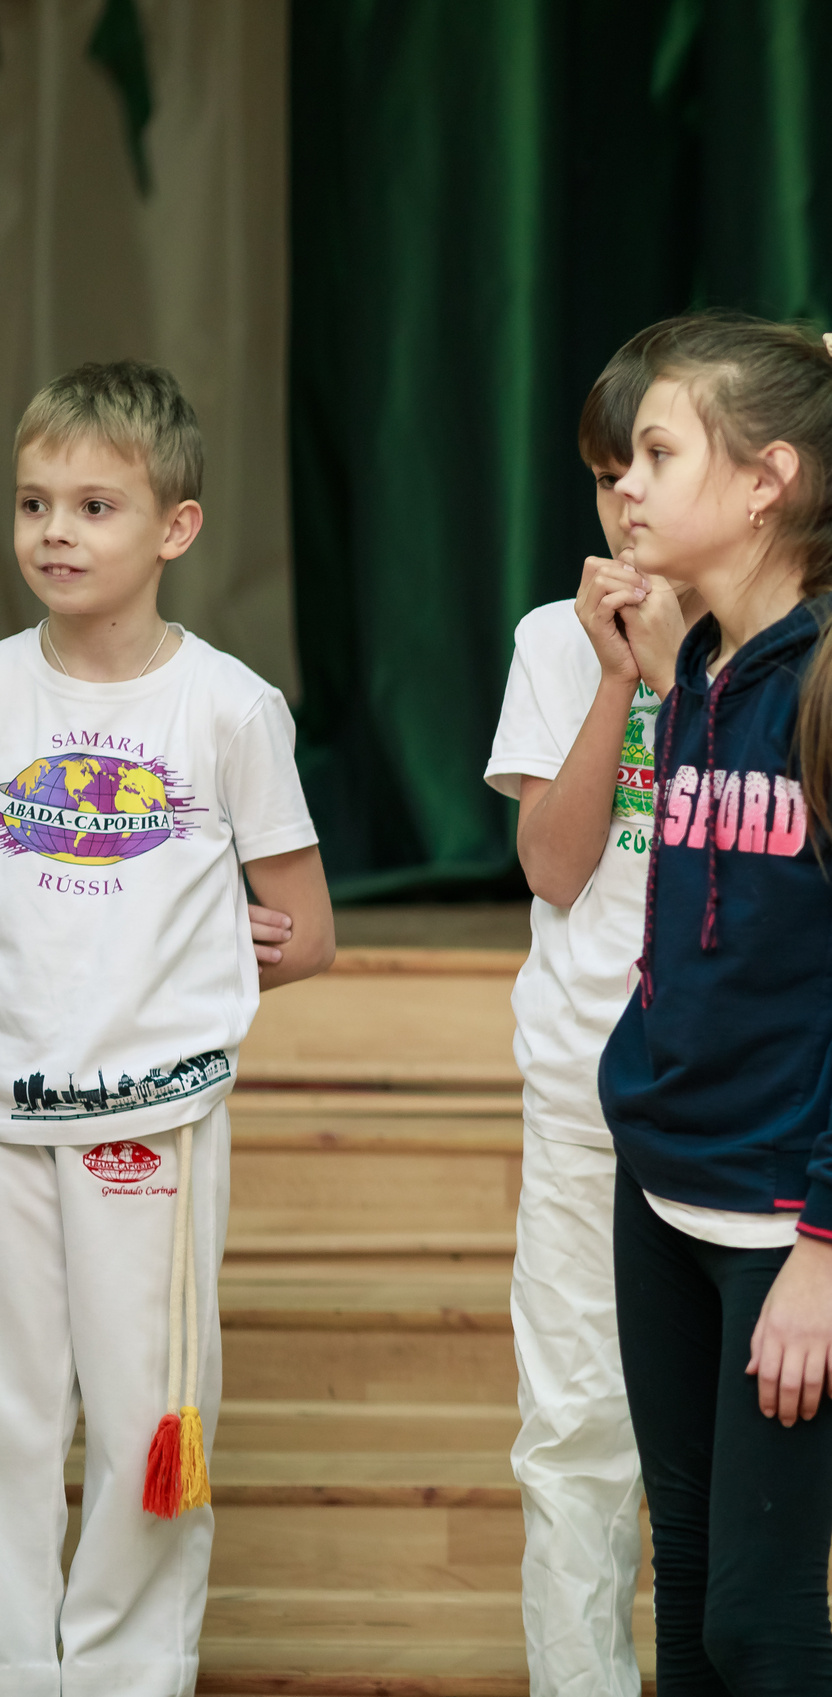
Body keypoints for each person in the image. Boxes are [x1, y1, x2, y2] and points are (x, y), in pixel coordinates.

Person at [597, 312, 832, 1695]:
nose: (625, 483)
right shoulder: (695, 669)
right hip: (661, 1195)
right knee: (690, 1597)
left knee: (763, 1628)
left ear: (764, 481)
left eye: (656, 450)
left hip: (785, 1223)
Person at [0, 360, 334, 1694]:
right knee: (12, 1421)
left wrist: (197, 948)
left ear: (175, 529)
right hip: (6, 1113)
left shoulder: (230, 707)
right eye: (34, 504)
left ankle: (127, 1675)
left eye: (94, 504)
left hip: (152, 1124)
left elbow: (303, 928)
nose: (57, 533)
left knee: (147, 1420)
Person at [483, 341, 696, 1697]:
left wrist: (684, 669)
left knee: (721, 1451)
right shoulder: (550, 644)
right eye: (608, 475)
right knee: (574, 1429)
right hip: (582, 1083)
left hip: (740, 1096)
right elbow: (556, 867)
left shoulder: (800, 644)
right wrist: (618, 676)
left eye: (657, 467)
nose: (627, 501)